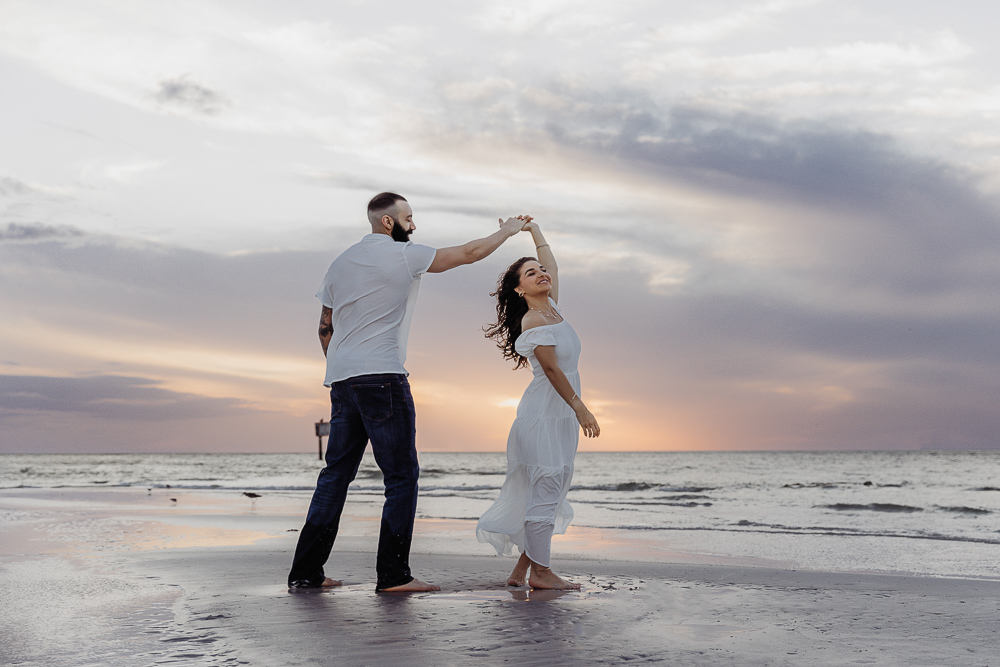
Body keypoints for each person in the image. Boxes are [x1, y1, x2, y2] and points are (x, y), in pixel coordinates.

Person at [288, 192, 529, 592]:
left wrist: (341, 367)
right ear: (388, 222)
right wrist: (507, 230)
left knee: (335, 476)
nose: (413, 226)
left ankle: (306, 572)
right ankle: (394, 575)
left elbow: (324, 327)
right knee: (401, 477)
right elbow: (469, 253)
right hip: (381, 376)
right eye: (409, 218)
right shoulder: (403, 254)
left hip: (343, 380)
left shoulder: (340, 263)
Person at [477, 220, 600, 590]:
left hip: (557, 416)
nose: (542, 273)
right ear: (519, 289)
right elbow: (550, 368)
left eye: (541, 269)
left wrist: (534, 232)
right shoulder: (534, 320)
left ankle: (522, 571)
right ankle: (542, 574)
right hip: (546, 415)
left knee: (552, 491)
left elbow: (554, 265)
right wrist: (580, 407)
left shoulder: (554, 310)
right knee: (547, 491)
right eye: (531, 273)